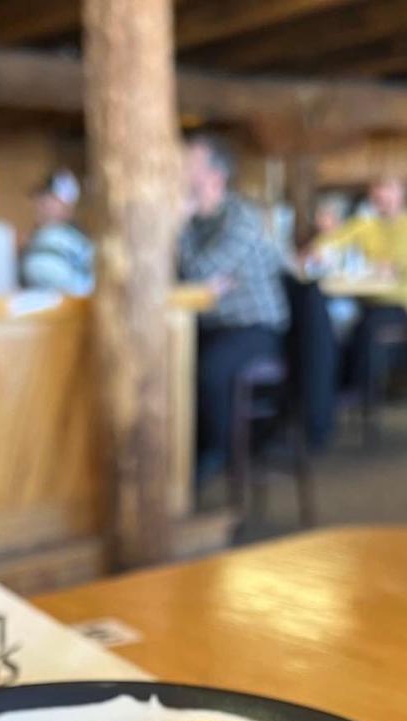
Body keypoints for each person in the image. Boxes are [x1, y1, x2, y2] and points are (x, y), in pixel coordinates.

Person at [177, 134, 289, 479]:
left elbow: (196, 272)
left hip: (254, 328)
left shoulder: (242, 218)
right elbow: (180, 276)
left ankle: (217, 454)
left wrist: (176, 225)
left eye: (188, 164)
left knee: (209, 371)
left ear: (215, 177)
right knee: (166, 366)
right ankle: (178, 458)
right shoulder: (196, 222)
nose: (178, 171)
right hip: (207, 323)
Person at [313, 178, 407, 393]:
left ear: (402, 192)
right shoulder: (366, 224)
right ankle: (329, 390)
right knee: (330, 322)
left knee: (366, 328)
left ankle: (360, 390)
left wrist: (399, 268)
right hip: (363, 300)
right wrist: (318, 251)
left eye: (386, 187)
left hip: (403, 304)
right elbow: (333, 240)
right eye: (375, 189)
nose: (379, 194)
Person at [19, 169, 94, 296]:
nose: (40, 204)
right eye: (39, 198)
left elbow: (43, 273)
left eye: (49, 198)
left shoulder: (57, 237)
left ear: (67, 204)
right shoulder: (43, 236)